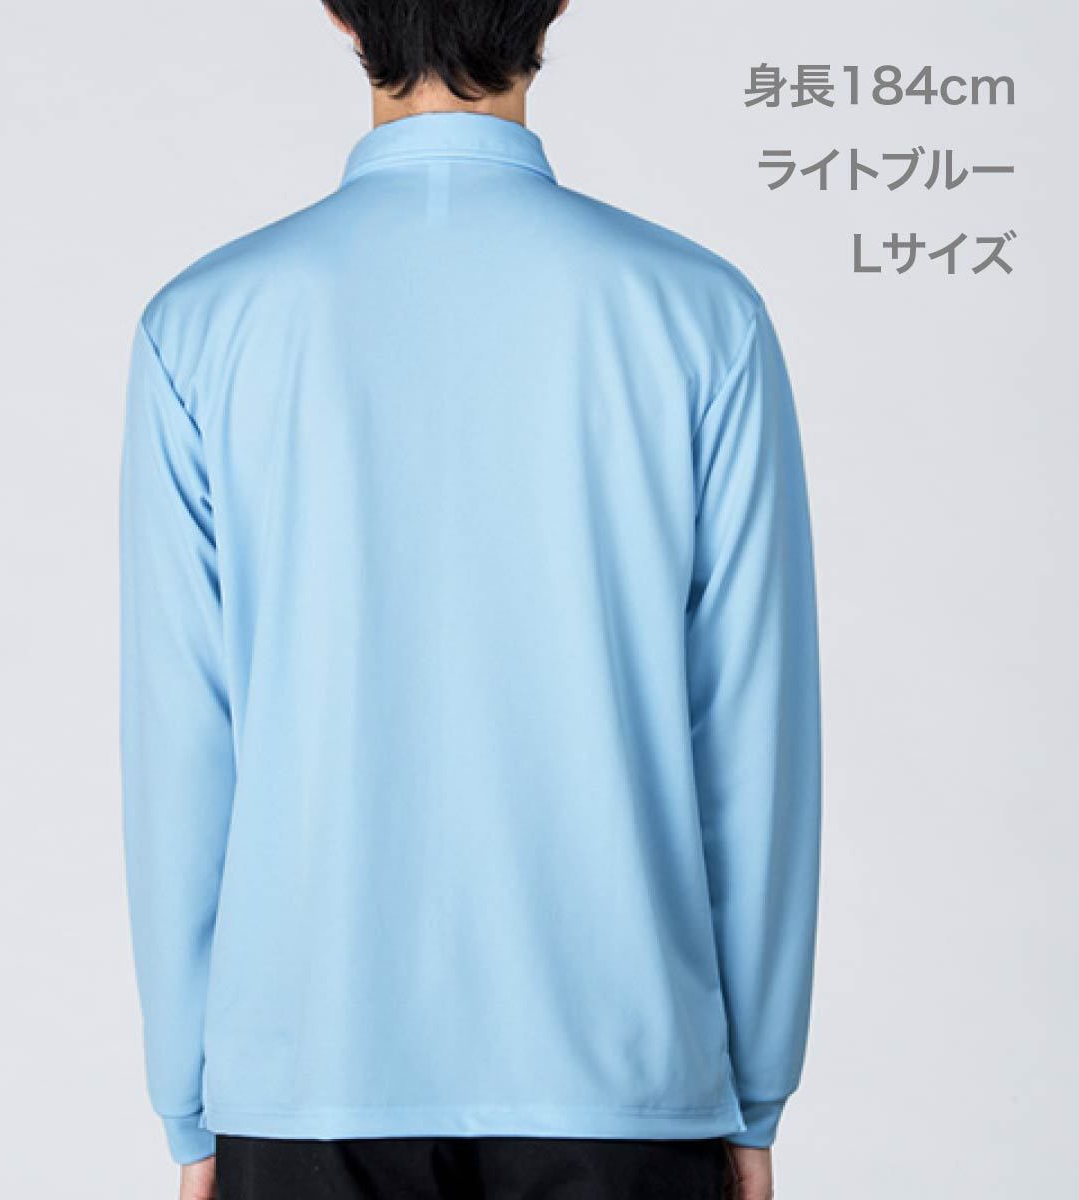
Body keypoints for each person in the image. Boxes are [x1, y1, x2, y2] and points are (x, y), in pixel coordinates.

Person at [118, 3, 822, 1198]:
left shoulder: (201, 324)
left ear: (338, 11)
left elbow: (182, 752)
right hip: (624, 1082)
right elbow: (754, 741)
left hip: (304, 1077)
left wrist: (194, 1108)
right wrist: (751, 1096)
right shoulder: (703, 314)